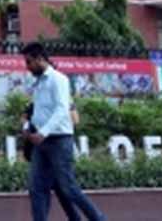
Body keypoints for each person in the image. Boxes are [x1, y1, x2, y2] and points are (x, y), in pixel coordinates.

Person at [22, 42, 106, 221]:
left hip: (59, 141)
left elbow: (62, 109)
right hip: (40, 143)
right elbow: (36, 111)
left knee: (68, 188)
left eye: (29, 62)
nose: (27, 66)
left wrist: (43, 132)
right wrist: (29, 129)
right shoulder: (38, 83)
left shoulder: (59, 79)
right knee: (36, 188)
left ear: (40, 59)